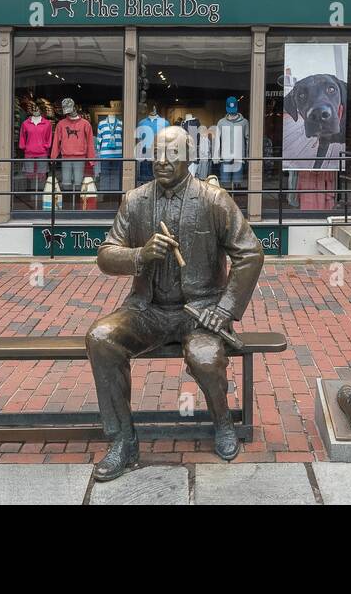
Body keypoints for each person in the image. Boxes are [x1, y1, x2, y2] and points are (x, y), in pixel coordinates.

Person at [85, 126, 265, 481]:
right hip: (147, 310)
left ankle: (223, 422)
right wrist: (140, 254)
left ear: (189, 157)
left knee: (205, 357)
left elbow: (251, 253)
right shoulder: (134, 201)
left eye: (172, 153)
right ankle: (123, 440)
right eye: (157, 153)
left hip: (199, 313)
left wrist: (225, 310)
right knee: (101, 337)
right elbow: (105, 256)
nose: (163, 160)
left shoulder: (214, 200)